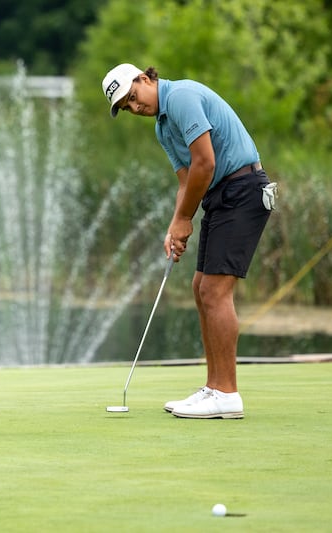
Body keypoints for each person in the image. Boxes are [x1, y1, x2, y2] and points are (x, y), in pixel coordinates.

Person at [101, 63, 276, 419]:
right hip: (220, 197)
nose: (135, 108)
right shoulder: (162, 127)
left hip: (243, 190)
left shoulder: (180, 96)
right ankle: (214, 387)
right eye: (126, 107)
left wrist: (185, 219)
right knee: (201, 288)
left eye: (133, 97)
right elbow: (186, 181)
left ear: (146, 79)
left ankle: (227, 394)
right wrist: (174, 226)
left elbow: (205, 163)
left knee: (215, 291)